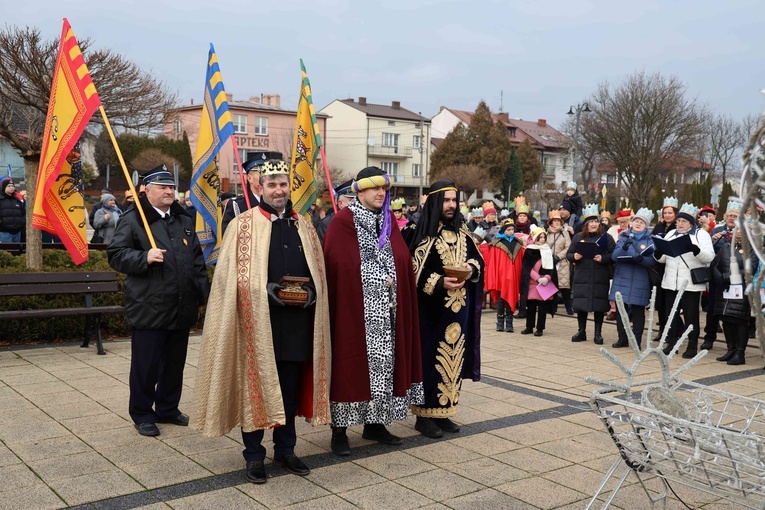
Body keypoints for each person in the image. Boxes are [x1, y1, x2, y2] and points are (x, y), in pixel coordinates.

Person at [191, 159, 331, 483]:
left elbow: (317, 272)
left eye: (283, 184)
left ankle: (286, 450)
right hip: (257, 324)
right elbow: (230, 279)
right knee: (253, 389)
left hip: (296, 325)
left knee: (289, 390)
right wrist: (263, 291)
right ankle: (254, 456)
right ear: (260, 188)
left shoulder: (305, 225)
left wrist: (312, 294)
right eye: (272, 185)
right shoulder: (242, 225)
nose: (279, 190)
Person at [323, 166, 423, 455]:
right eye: (374, 188)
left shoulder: (389, 221)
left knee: (385, 367)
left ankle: (375, 423)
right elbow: (338, 264)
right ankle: (339, 430)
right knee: (347, 366)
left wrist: (398, 275)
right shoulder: (344, 221)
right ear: (360, 191)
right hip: (354, 312)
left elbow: (401, 257)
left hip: (388, 314)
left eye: (384, 189)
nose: (381, 193)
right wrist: (376, 278)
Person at [107, 164, 210, 437]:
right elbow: (116, 254)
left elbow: (196, 261)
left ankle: (167, 408)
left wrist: (202, 294)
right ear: (147, 190)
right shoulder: (133, 219)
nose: (169, 191)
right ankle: (142, 413)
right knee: (147, 364)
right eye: (163, 187)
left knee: (175, 362)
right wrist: (144, 257)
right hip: (149, 305)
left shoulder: (184, 219)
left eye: (171, 187)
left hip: (181, 304)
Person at [408, 180, 483, 439]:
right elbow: (412, 269)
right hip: (430, 311)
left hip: (458, 311)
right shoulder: (420, 232)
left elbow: (476, 257)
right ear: (436, 202)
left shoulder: (463, 232)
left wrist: (471, 268)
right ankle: (424, 415)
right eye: (447, 201)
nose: (452, 206)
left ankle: (444, 410)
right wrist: (439, 282)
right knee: (431, 359)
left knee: (454, 359)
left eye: (455, 200)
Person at [654, 202, 715, 358]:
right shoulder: (671, 234)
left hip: (690, 284)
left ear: (691, 222)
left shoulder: (701, 235)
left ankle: (692, 346)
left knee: (691, 315)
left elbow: (709, 257)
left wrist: (696, 251)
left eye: (683, 221)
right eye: (678, 221)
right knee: (671, 315)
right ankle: (672, 343)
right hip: (670, 282)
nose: (680, 224)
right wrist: (659, 253)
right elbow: (662, 260)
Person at [567, 204, 615, 344]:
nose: (593, 224)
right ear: (585, 225)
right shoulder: (577, 237)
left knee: (599, 306)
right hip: (582, 276)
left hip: (600, 276)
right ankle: (581, 331)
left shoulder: (607, 238)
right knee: (581, 305)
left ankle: (598, 333)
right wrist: (574, 256)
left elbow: (614, 255)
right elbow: (569, 253)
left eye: (595, 221)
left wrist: (603, 258)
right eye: (590, 222)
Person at [609, 208, 656, 348]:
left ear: (645, 225)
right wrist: (623, 249)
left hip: (640, 279)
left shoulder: (650, 240)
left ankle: (636, 341)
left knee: (638, 311)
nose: (638, 224)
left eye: (641, 222)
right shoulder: (623, 237)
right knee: (621, 311)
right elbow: (614, 257)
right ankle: (622, 339)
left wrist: (642, 259)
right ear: (632, 222)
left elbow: (653, 261)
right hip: (622, 277)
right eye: (636, 221)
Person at [710, 227, 756, 365]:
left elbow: (750, 268)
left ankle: (740, 353)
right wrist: (718, 277)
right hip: (724, 288)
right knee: (726, 319)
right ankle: (730, 350)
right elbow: (715, 264)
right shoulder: (726, 246)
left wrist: (726, 276)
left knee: (739, 320)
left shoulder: (752, 250)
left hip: (740, 288)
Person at [702, 201, 740, 350]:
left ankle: (734, 343)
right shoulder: (716, 231)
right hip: (716, 277)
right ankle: (709, 338)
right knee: (712, 309)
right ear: (724, 216)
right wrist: (711, 241)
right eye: (729, 215)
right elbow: (707, 252)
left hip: (735, 277)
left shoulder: (744, 231)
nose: (732, 218)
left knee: (732, 311)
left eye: (735, 216)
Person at [485, 218, 524, 332]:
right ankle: (500, 322)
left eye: (512, 229)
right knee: (501, 299)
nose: (511, 232)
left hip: (513, 277)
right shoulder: (497, 243)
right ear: (503, 230)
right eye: (508, 230)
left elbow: (520, 262)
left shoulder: (518, 243)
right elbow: (493, 263)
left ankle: (510, 323)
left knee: (511, 298)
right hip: (501, 277)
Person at [651, 196, 680, 341]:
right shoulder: (659, 227)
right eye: (665, 213)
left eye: (670, 213)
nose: (667, 215)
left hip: (672, 268)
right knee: (660, 303)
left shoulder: (678, 228)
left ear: (675, 213)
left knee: (671, 304)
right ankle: (662, 329)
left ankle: (674, 330)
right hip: (659, 268)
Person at [520, 226, 557, 336]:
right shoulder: (529, 251)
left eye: (543, 237)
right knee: (531, 306)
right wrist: (537, 278)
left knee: (542, 308)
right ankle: (529, 326)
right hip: (533, 282)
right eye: (540, 237)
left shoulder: (547, 251)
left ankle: (540, 328)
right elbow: (527, 268)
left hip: (545, 283)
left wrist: (547, 278)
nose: (542, 240)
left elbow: (551, 267)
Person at [221, 156, 264, 236]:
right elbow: (228, 238)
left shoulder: (274, 204)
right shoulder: (236, 205)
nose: (265, 178)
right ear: (250, 178)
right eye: (261, 174)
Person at [546, 210, 573, 315]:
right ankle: (553, 306)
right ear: (551, 222)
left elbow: (568, 247)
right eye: (554, 221)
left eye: (558, 221)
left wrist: (559, 256)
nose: (556, 223)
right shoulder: (546, 233)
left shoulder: (564, 234)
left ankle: (568, 306)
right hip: (550, 262)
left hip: (562, 262)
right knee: (552, 285)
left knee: (564, 285)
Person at [316, 179, 354, 244]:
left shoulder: (363, 220)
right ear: (340, 203)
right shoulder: (327, 223)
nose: (356, 204)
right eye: (351, 201)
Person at [0, 177, 25, 243]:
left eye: (12, 186)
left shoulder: (17, 200)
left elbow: (23, 213)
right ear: (4, 187)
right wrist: (2, 224)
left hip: (17, 232)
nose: (11, 188)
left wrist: (22, 222)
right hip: (5, 232)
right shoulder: (1, 200)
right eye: (9, 186)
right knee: (8, 251)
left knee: (17, 251)